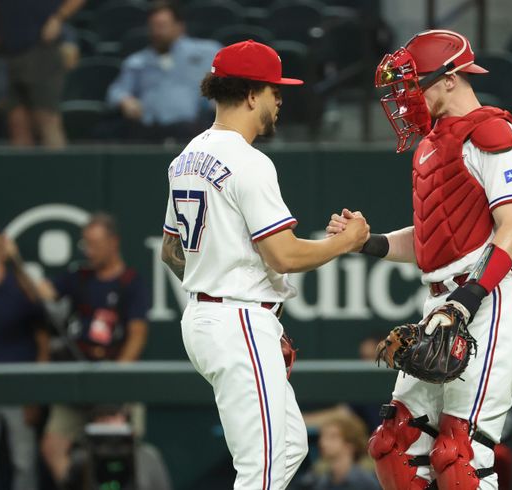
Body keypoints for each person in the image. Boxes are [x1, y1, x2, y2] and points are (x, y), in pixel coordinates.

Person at [327, 29, 512, 489]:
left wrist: (465, 301)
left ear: (450, 79)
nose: (406, 98)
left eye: (414, 83)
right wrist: (368, 242)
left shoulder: (494, 134)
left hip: (490, 299)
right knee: (394, 442)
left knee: (458, 453)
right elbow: (433, 241)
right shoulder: (432, 143)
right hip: (445, 303)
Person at [159, 39, 370, 489]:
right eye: (275, 89)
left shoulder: (186, 157)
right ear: (251, 93)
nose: (280, 98)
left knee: (290, 445)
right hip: (236, 318)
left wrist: (214, 294)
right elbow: (285, 255)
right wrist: (348, 242)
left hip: (210, 315)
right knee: (264, 465)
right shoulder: (247, 161)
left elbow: (171, 252)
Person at [36, 213, 150, 485]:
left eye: (95, 243)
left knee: (121, 454)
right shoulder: (79, 277)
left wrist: (116, 379)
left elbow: (137, 335)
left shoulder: (131, 283)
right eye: (86, 243)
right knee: (52, 446)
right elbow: (44, 292)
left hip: (115, 387)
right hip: (77, 384)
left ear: (113, 242)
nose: (90, 250)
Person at [0, 227, 50, 490]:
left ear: (0, 251)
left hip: (18, 387)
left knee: (24, 461)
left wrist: (35, 393)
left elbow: (43, 323)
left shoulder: (19, 290)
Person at [105, 1, 221, 143]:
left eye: (162, 26)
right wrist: (125, 100)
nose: (157, 32)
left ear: (179, 27)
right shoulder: (137, 61)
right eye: (153, 27)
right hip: (150, 131)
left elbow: (227, 76)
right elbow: (117, 90)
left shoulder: (206, 52)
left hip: (193, 129)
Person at [0, 0, 84, 148]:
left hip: (42, 48)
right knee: (17, 122)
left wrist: (59, 17)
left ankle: (59, 170)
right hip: (7, 51)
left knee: (47, 119)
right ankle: (22, 171)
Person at [63, 405, 173, 490]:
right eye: (102, 417)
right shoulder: (81, 458)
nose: (109, 423)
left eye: (114, 416)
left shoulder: (148, 456)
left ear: (124, 418)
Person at [295, 413, 380, 490]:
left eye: (333, 437)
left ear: (350, 444)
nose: (323, 442)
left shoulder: (366, 483)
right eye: (323, 436)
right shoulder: (315, 480)